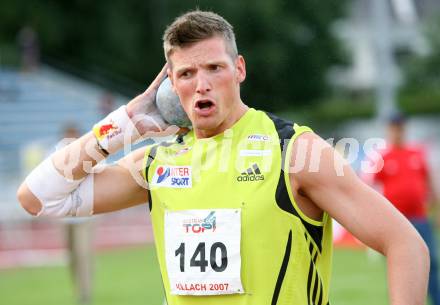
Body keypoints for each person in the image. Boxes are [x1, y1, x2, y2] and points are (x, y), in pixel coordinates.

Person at [17, 10, 429, 305]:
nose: (202, 85)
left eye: (214, 68)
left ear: (240, 70)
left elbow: (405, 243)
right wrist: (123, 124)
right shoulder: (157, 163)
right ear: (171, 86)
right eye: (186, 74)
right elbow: (38, 197)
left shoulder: (296, 151)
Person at [372, 113, 439, 305]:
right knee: (401, 266)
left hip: (420, 217)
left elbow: (429, 183)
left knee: (431, 262)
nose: (397, 131)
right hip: (396, 221)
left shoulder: (417, 153)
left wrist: (437, 209)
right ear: (388, 130)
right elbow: (370, 188)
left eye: (400, 127)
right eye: (394, 127)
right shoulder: (382, 156)